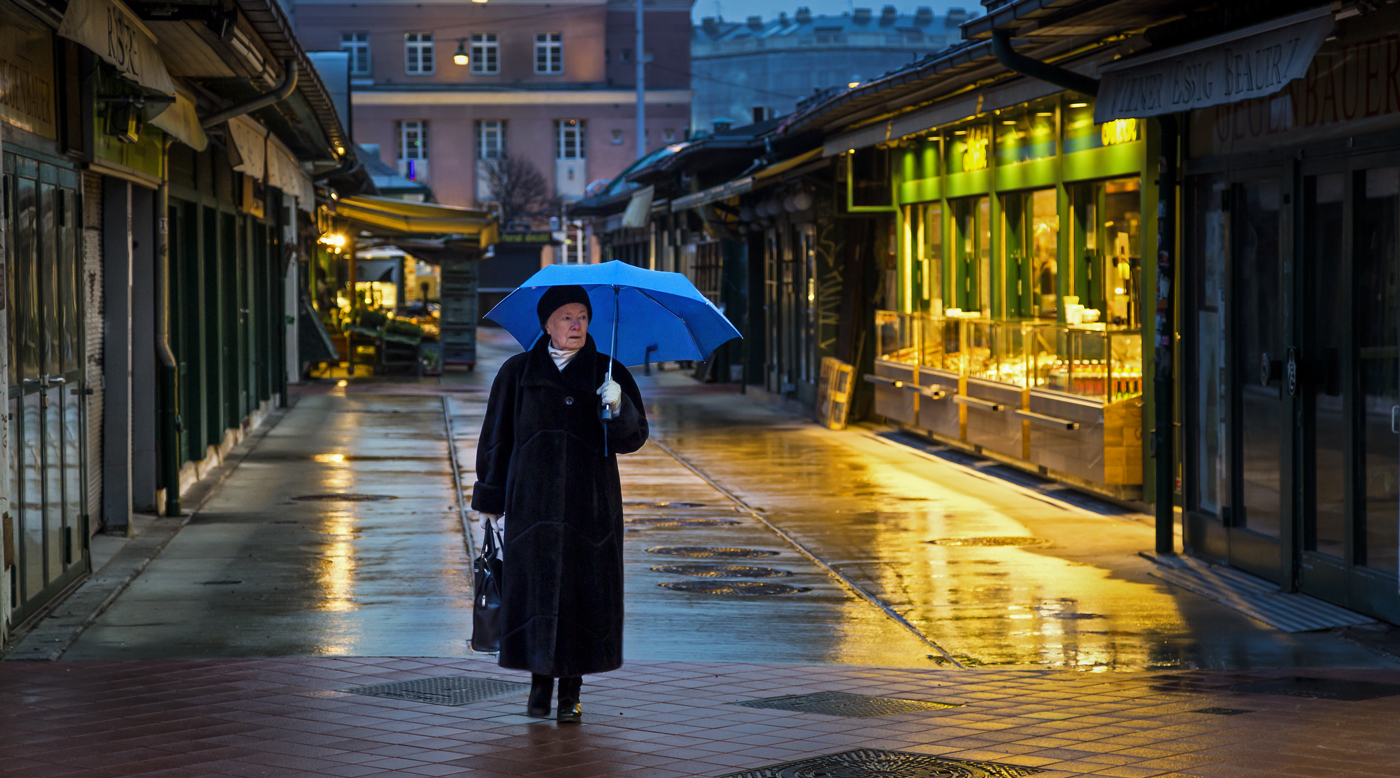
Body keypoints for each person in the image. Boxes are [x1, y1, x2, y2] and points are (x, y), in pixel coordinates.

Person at [471, 285, 649, 723]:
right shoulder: (517, 373)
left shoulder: (609, 372)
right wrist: (491, 497)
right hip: (531, 508)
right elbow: (497, 438)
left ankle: (571, 693)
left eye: (583, 317)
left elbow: (633, 438)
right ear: (547, 323)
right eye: (566, 316)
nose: (576, 325)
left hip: (591, 510)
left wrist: (618, 405)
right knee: (533, 594)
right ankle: (537, 687)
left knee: (582, 599)